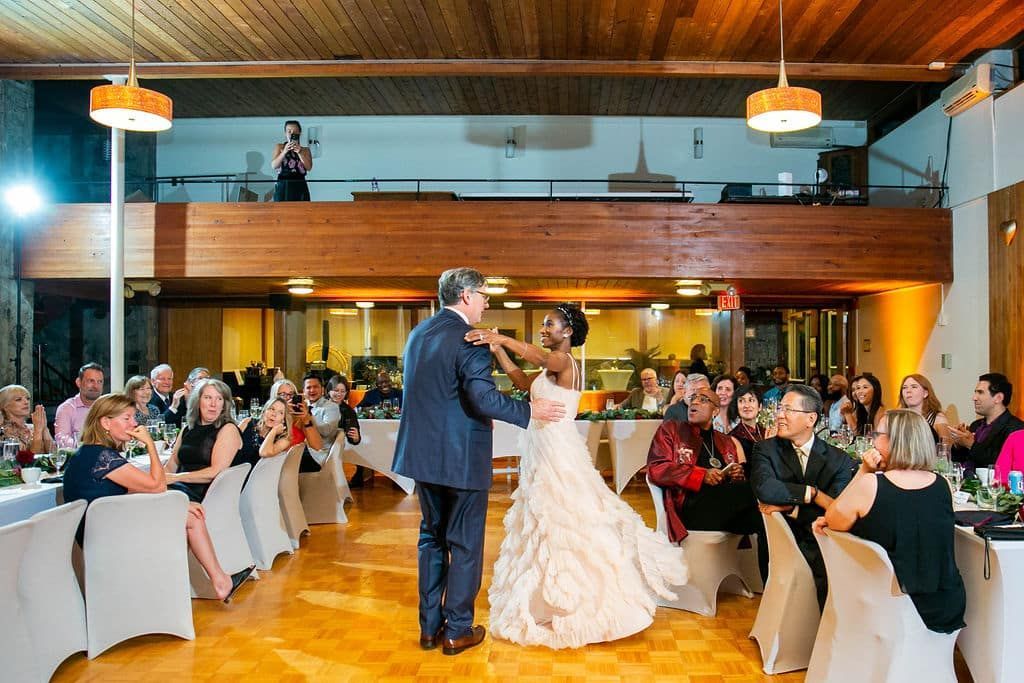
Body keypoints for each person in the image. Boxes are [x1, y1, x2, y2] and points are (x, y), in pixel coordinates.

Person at [473, 302, 687, 649]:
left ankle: (577, 599)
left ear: (567, 332)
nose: (544, 330)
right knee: (543, 521)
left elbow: (542, 359)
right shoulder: (549, 370)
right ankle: (546, 597)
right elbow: (525, 381)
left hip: (558, 451)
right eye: (543, 325)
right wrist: (499, 352)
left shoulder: (565, 362)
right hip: (541, 448)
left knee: (565, 520)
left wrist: (502, 338)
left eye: (549, 325)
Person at [391, 267, 564, 656]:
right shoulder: (469, 340)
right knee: (465, 544)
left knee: (431, 540)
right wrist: (529, 410)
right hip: (461, 457)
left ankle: (429, 629)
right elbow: (482, 399)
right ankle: (458, 630)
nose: (488, 301)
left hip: (422, 457)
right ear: (466, 295)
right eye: (485, 294)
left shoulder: (418, 334)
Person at [62, 394, 253, 602]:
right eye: (127, 418)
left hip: (104, 530)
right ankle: (218, 582)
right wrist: (150, 444)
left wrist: (177, 506)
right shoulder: (102, 457)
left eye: (133, 417)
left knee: (190, 514)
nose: (134, 424)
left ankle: (215, 582)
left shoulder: (91, 454)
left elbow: (124, 493)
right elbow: (157, 484)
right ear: (106, 422)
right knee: (193, 519)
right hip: (108, 537)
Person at [813, 410, 966, 634]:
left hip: (890, 604)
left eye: (877, 434)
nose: (872, 440)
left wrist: (864, 470)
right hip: (944, 601)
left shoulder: (872, 484)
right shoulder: (942, 485)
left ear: (896, 441)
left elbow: (832, 519)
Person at [648, 386, 767, 582]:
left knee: (766, 515)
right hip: (688, 509)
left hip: (725, 510)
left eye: (703, 400)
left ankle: (767, 578)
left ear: (715, 411)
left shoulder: (726, 441)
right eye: (693, 398)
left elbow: (732, 479)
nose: (694, 402)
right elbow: (657, 468)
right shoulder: (672, 430)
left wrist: (736, 475)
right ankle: (767, 578)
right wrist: (700, 475)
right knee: (761, 501)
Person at [751, 384, 854, 609]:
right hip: (781, 546)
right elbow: (766, 489)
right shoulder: (765, 450)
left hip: (823, 540)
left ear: (810, 419)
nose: (779, 415)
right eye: (779, 409)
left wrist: (791, 508)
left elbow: (835, 509)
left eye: (788, 410)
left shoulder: (840, 460)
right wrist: (813, 494)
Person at [163, 379, 243, 502]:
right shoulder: (187, 428)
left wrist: (175, 478)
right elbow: (171, 465)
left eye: (219, 399)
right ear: (198, 401)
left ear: (224, 405)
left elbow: (215, 472)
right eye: (208, 397)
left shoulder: (228, 429)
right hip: (179, 488)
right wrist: (158, 479)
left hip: (205, 495)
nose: (213, 404)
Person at [950, 373, 1024, 468]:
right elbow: (960, 462)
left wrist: (971, 445)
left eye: (980, 392)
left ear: (998, 398)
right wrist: (959, 445)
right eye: (975, 392)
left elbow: (1002, 464)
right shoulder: (975, 425)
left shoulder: (1016, 429)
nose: (974, 398)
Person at [233, 396, 293, 471]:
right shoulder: (247, 422)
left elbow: (264, 452)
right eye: (272, 409)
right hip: (233, 471)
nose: (274, 414)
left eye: (280, 412)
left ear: (283, 420)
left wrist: (273, 431)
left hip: (255, 479)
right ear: (264, 411)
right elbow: (229, 447)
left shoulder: (284, 439)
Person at [326, 375, 366, 487]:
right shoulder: (319, 406)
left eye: (342, 391)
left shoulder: (349, 412)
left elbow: (354, 440)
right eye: (336, 390)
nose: (339, 394)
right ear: (329, 390)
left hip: (336, 448)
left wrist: (356, 437)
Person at [54, 362, 104, 444]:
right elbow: (62, 440)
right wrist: (87, 447)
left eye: (100, 382)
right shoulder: (67, 408)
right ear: (78, 382)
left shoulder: (108, 407)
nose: (96, 386)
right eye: (91, 381)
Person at [298, 373, 340, 473]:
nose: (312, 390)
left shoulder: (331, 407)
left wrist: (308, 416)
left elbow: (327, 431)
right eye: (308, 387)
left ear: (322, 389)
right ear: (303, 391)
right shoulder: (300, 406)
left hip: (318, 454)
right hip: (301, 449)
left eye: (315, 387)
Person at [269, 379, 323, 452]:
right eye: (283, 394)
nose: (288, 398)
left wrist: (306, 419)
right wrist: (282, 412)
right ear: (274, 397)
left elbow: (318, 446)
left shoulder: (300, 416)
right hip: (272, 458)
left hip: (292, 460)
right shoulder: (269, 415)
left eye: (291, 394)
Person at [0, 384, 54, 454]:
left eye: (28, 398)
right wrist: (38, 430)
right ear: (5, 406)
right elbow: (28, 460)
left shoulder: (33, 427)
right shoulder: (4, 432)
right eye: (18, 399)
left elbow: (54, 455)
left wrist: (44, 428)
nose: (26, 402)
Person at [898, 374, 951, 443]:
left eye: (914, 387)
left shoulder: (938, 418)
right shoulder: (899, 418)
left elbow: (945, 449)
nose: (908, 391)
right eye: (904, 388)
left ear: (925, 393)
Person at [728, 384, 775, 461]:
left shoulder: (766, 432)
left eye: (751, 400)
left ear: (759, 407)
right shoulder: (731, 438)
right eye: (741, 401)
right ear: (737, 406)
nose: (746, 405)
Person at [271, 119, 312, 201]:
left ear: (299, 133)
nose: (292, 134)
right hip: (283, 184)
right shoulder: (280, 147)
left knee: (302, 211)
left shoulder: (305, 150)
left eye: (295, 131)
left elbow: (309, 167)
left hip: (300, 184)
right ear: (285, 133)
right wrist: (284, 152)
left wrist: (299, 152)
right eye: (289, 131)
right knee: (282, 211)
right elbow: (274, 165)